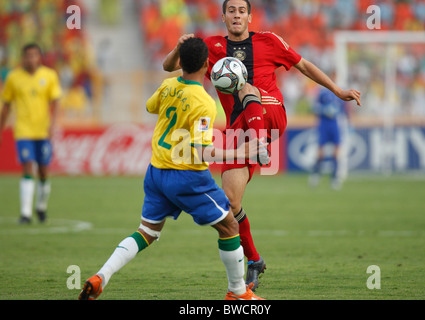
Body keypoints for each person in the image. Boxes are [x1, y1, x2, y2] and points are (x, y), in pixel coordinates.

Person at [162, 0, 361, 291]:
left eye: (242, 11)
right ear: (223, 16)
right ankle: (254, 260)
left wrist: (337, 90)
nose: (237, 15)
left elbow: (303, 65)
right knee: (229, 203)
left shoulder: (269, 41)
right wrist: (178, 47)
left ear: (250, 16)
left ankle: (259, 145)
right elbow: (170, 66)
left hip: (270, 115)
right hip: (238, 132)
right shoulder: (211, 47)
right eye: (232, 11)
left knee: (247, 87)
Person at [79, 37, 266, 300]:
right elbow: (203, 151)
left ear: (180, 62)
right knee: (230, 226)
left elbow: (149, 106)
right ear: (206, 64)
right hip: (188, 176)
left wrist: (177, 52)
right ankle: (237, 292)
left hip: (156, 172)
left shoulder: (167, 86)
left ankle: (101, 276)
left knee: (147, 231)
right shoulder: (203, 101)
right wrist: (242, 151)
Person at [0, 43, 62, 224]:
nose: (31, 59)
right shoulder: (14, 78)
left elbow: (56, 101)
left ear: (39, 57)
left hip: (43, 131)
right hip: (23, 131)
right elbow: (6, 105)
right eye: (28, 56)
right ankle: (25, 213)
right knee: (27, 166)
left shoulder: (49, 76)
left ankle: (41, 207)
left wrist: (53, 124)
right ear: (23, 57)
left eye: (34, 55)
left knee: (43, 171)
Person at [309, 86, 349, 190]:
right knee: (320, 151)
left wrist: (349, 123)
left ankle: (335, 177)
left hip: (335, 124)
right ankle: (316, 174)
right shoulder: (322, 92)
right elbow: (314, 107)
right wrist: (323, 110)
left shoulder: (340, 92)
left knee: (336, 150)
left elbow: (345, 110)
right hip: (324, 123)